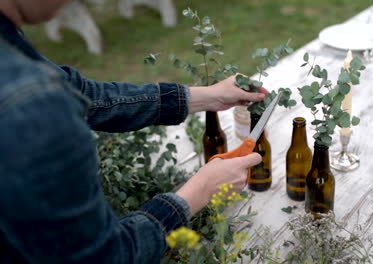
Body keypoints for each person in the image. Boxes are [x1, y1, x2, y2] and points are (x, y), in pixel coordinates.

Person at [0, 0, 266, 263]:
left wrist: (207, 96)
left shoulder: (13, 50)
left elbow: (84, 95)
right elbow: (107, 257)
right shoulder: (33, 105)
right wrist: (204, 188)